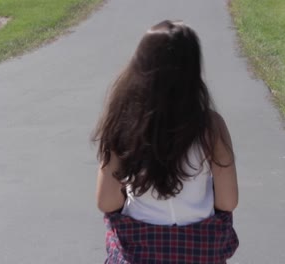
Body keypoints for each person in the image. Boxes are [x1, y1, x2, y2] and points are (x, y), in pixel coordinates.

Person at [92, 20, 239, 263]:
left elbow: (106, 201)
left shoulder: (123, 124)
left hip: (139, 251)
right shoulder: (210, 127)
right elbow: (228, 200)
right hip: (198, 251)